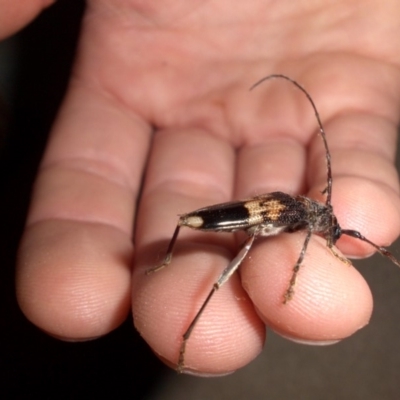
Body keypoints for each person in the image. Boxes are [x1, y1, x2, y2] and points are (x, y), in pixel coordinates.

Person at [7, 0, 400, 376]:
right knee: (220, 277)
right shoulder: (300, 217)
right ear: (318, 221)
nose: (330, 235)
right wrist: (295, 276)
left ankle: (174, 283)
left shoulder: (303, 208)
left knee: (232, 251)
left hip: (252, 213)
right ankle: (188, 328)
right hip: (243, 217)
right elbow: (297, 240)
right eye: (330, 233)